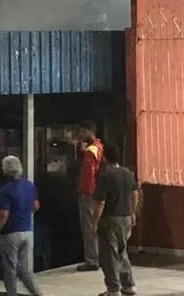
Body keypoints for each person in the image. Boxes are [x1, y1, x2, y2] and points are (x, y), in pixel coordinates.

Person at [91, 144, 138, 296]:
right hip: (126, 217)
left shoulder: (105, 176)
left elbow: (100, 202)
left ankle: (113, 288)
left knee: (109, 255)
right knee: (122, 251)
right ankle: (128, 284)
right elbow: (135, 194)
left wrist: (94, 221)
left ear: (105, 157)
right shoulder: (128, 173)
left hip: (110, 219)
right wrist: (132, 212)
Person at [0, 156, 42, 296]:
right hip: (27, 231)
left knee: (10, 268)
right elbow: (36, 206)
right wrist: (24, 214)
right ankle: (36, 293)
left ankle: (12, 294)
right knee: (24, 269)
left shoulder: (5, 190)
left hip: (11, 232)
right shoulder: (29, 185)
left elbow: (4, 215)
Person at [77, 125, 105, 271]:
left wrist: (84, 192)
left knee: (88, 226)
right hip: (98, 192)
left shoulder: (90, 151)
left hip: (89, 194)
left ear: (88, 131)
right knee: (95, 226)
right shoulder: (99, 147)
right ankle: (98, 257)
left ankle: (91, 259)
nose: (80, 134)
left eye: (82, 131)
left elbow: (88, 175)